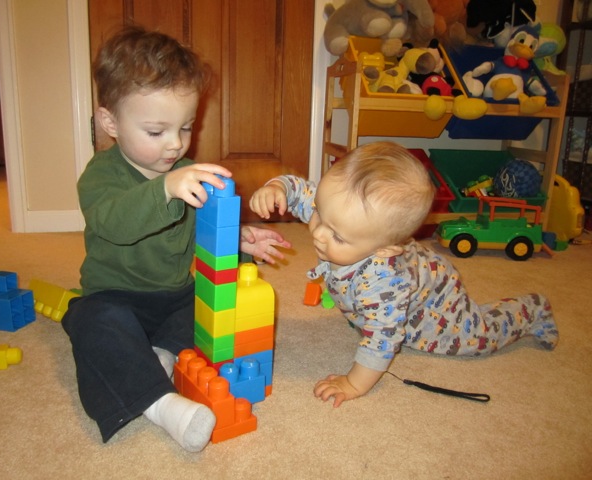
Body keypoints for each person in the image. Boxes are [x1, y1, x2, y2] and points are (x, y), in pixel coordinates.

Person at [62, 26, 290, 452]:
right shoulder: (100, 176)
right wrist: (165, 188)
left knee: (216, 306)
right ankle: (163, 405)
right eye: (156, 132)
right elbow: (115, 223)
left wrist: (238, 239)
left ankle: (161, 357)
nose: (175, 145)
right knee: (90, 321)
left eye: (185, 127)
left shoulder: (186, 171)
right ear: (110, 123)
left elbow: (200, 227)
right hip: (115, 296)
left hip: (174, 296)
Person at [249, 141, 558, 408]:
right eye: (319, 213)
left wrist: (354, 384)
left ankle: (532, 311)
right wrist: (278, 188)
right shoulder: (336, 213)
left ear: (383, 249)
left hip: (437, 301)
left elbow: (382, 340)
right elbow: (304, 192)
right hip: (403, 276)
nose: (317, 233)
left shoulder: (384, 285)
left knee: (478, 337)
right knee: (372, 307)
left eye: (338, 237)